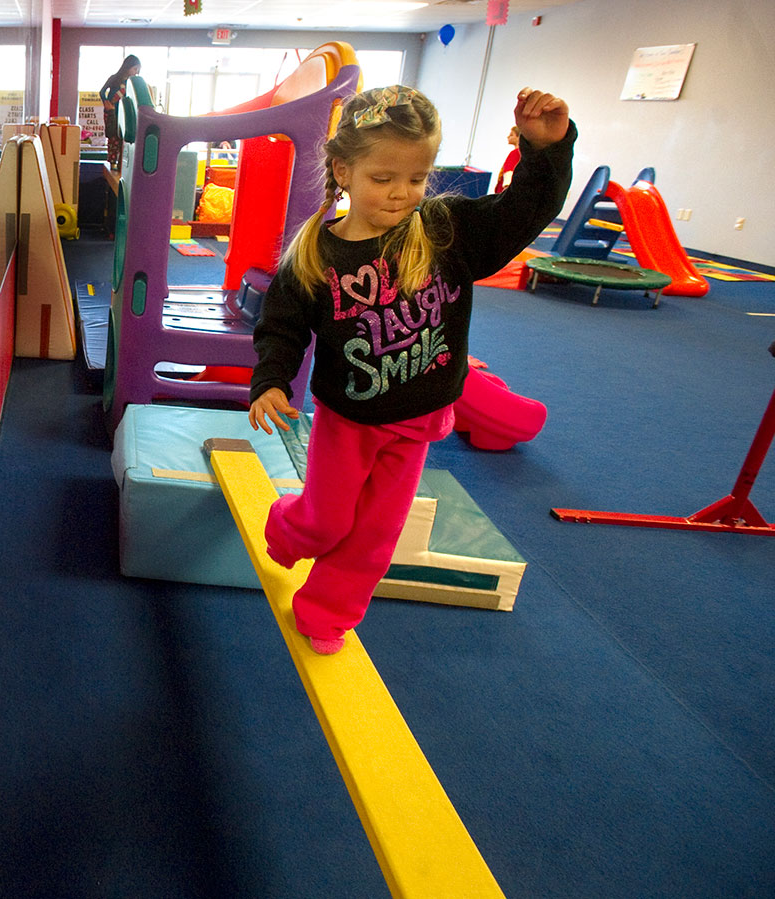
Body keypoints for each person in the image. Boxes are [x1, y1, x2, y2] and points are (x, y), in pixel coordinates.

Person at [246, 84, 574, 654]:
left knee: (375, 537)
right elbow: (283, 326)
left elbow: (525, 212)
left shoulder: (445, 231)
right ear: (344, 171)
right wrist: (271, 380)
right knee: (327, 522)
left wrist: (545, 150)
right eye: (384, 179)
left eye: (417, 179)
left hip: (420, 418)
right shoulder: (316, 254)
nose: (403, 194)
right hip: (347, 419)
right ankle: (287, 525)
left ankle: (327, 611)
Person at [99, 54, 141, 171]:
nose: (136, 72)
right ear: (128, 66)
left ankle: (122, 164)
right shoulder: (114, 79)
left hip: (123, 114)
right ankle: (112, 161)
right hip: (111, 112)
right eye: (135, 69)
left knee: (122, 137)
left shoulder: (131, 84)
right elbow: (102, 91)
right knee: (112, 136)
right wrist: (106, 102)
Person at [494, 124, 520, 193]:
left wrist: (506, 186)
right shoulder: (522, 153)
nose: (508, 137)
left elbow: (509, 170)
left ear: (519, 137)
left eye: (511, 135)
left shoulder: (515, 152)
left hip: (505, 191)